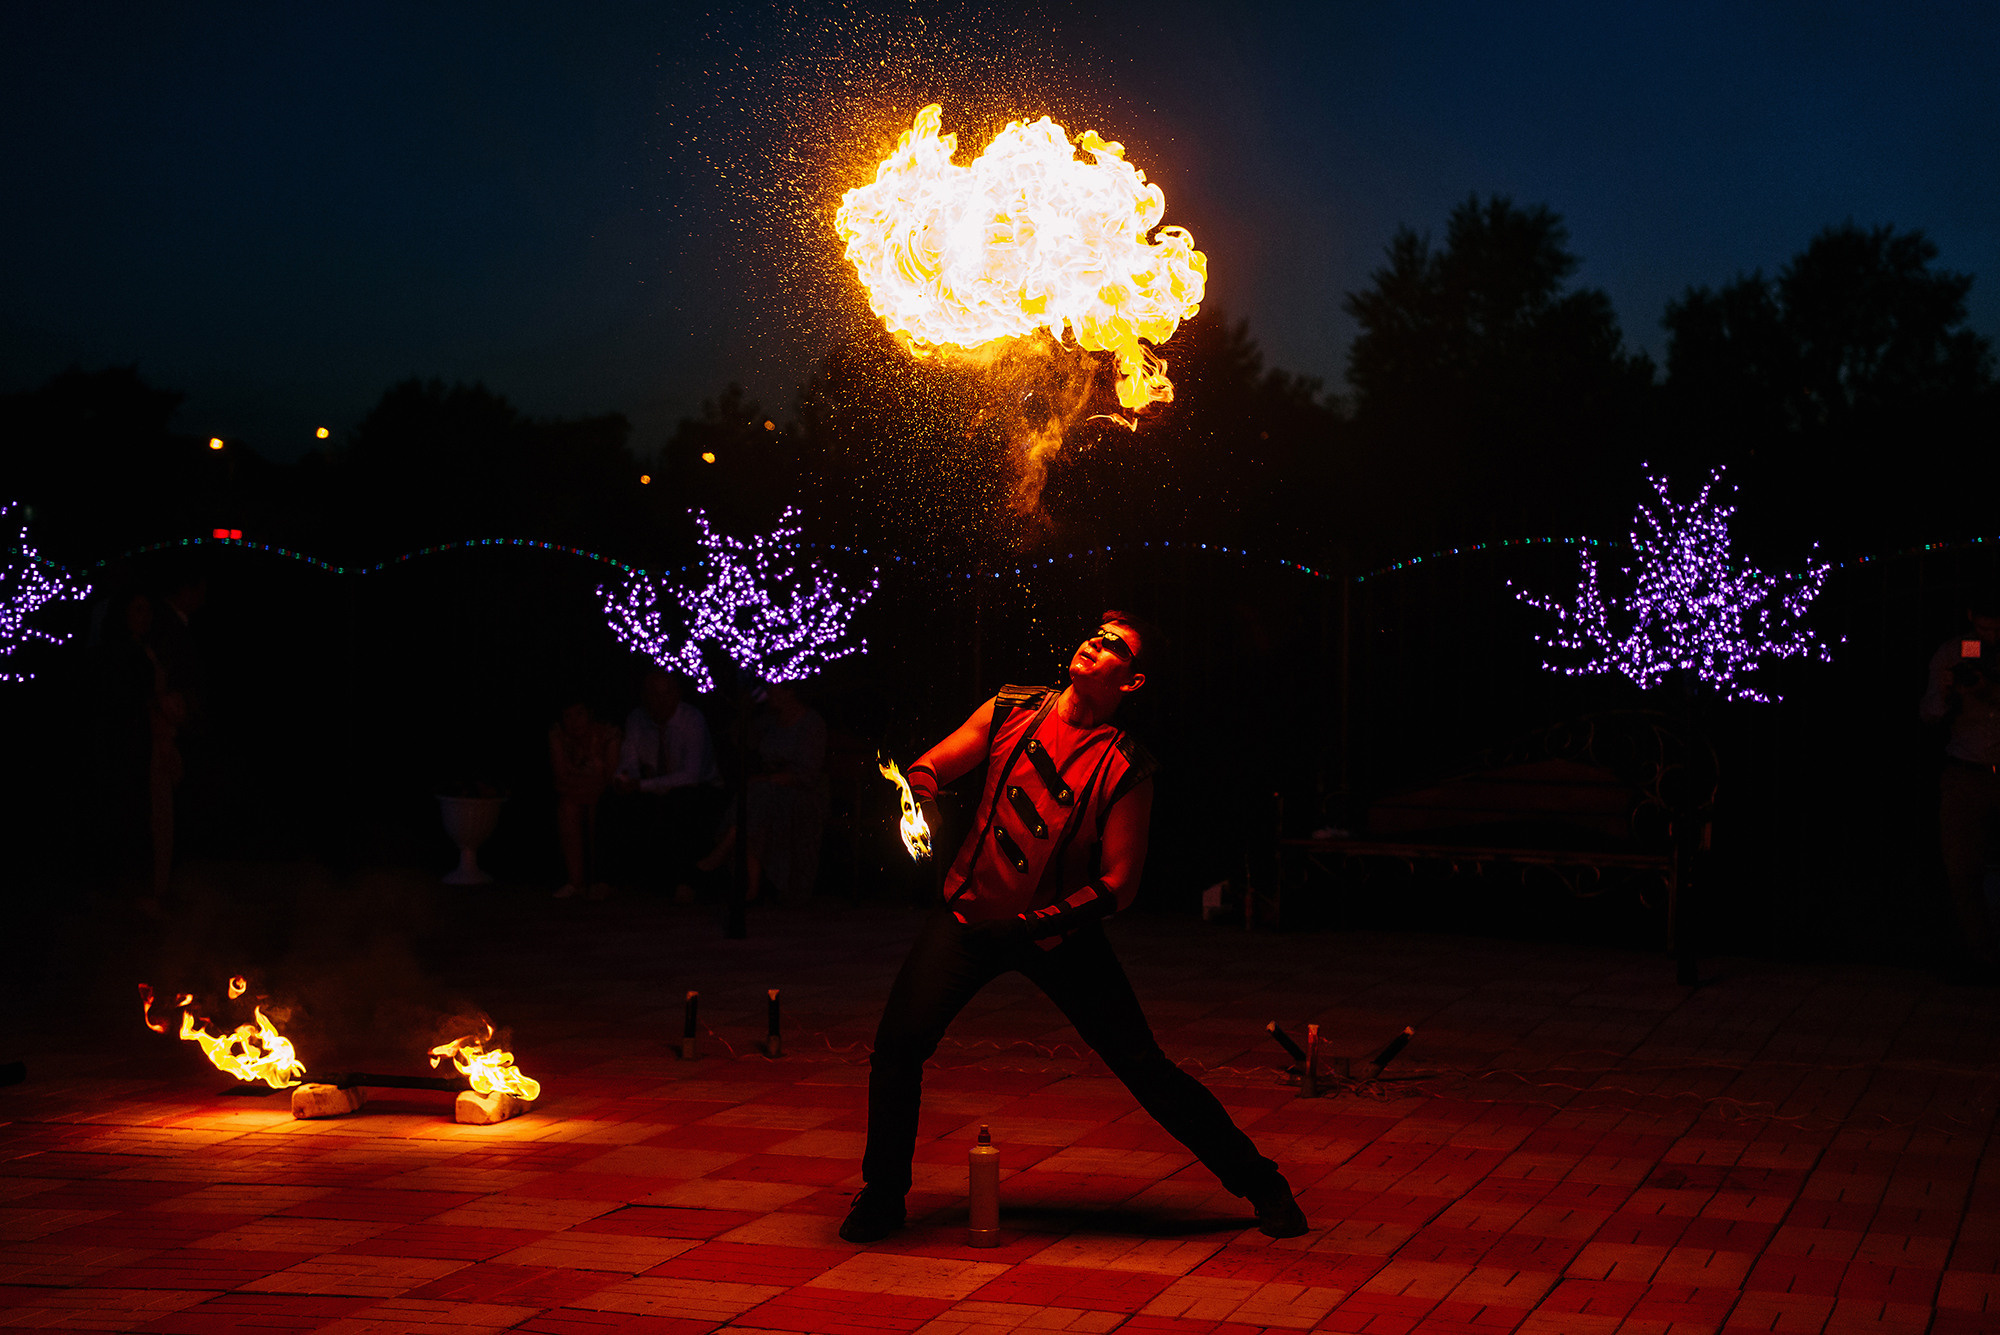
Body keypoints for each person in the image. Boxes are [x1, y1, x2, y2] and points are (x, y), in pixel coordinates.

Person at [840, 611, 1308, 1244]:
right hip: (967, 917)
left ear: (1133, 681)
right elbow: (932, 768)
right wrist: (915, 792)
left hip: (1058, 934)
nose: (1095, 641)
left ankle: (1262, 1182)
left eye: (1116, 644)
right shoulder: (1011, 707)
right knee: (897, 1048)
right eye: (1097, 632)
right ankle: (883, 1196)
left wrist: (1029, 927)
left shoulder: (1128, 766)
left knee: (1142, 1064)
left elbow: (1120, 886)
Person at [1920, 592, 2000, 973]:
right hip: (1965, 772)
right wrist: (1949, 692)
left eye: (1997, 629)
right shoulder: (1961, 651)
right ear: (1972, 619)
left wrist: (1992, 693)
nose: (1990, 637)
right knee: (1962, 869)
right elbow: (1929, 713)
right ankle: (1981, 958)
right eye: (1983, 628)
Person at [608, 668, 722, 893]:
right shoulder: (637, 718)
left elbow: (692, 775)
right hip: (653, 784)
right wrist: (625, 779)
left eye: (665, 694)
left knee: (682, 802)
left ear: (677, 695)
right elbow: (629, 759)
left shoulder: (692, 719)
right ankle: (612, 879)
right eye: (653, 694)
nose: (659, 701)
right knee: (612, 802)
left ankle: (684, 882)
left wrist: (643, 785)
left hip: (700, 788)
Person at [549, 699, 621, 899]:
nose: (574, 722)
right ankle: (576, 881)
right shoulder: (559, 736)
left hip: (605, 795)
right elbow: (560, 777)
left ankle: (600, 880)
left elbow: (611, 776)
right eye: (568, 716)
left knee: (600, 807)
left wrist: (582, 780)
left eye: (579, 714)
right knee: (568, 806)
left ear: (590, 714)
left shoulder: (608, 735)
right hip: (573, 793)